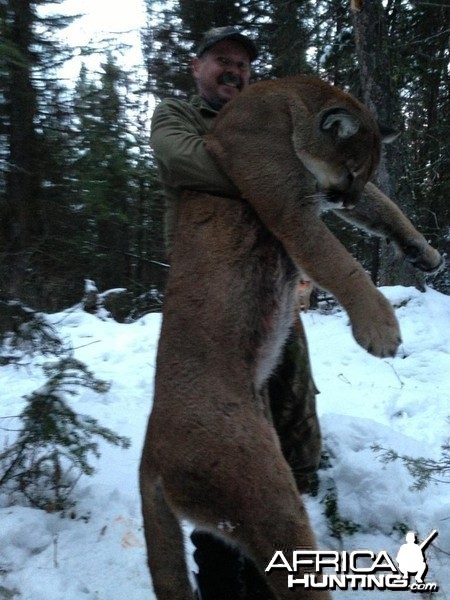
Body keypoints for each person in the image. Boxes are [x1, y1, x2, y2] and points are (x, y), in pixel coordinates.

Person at [150, 26, 321, 600]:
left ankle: (278, 563)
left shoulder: (266, 127)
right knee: (216, 452)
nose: (234, 70)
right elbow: (185, 162)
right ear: (197, 67)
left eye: (243, 64)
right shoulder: (176, 116)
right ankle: (225, 584)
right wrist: (270, 175)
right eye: (222, 59)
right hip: (209, 312)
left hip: (271, 299)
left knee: (288, 427)